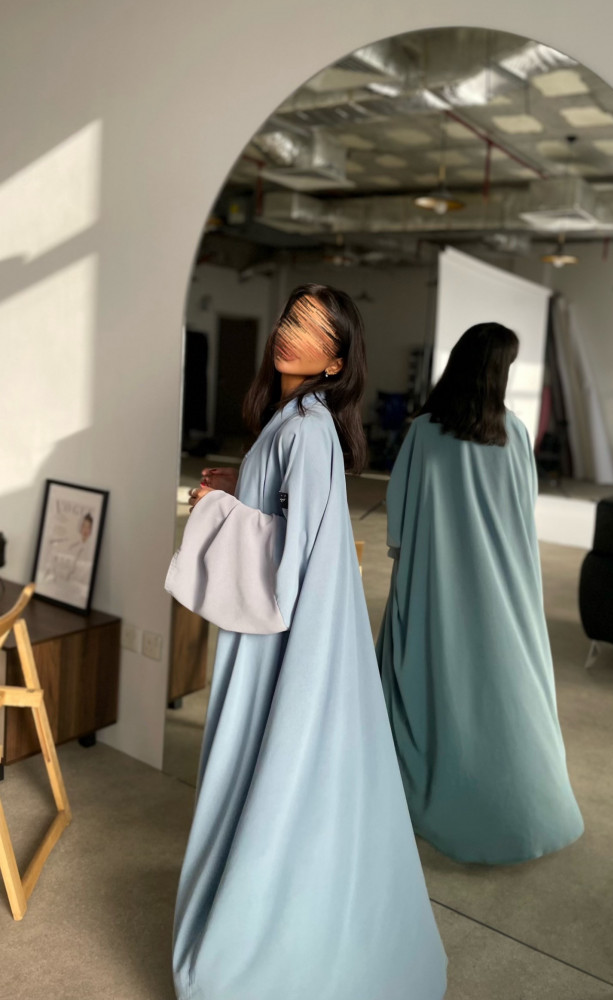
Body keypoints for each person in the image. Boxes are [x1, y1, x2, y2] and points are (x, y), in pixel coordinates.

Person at [166, 284, 447, 1000]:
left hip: (280, 636)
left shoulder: (306, 428)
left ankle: (255, 941)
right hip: (283, 629)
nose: (292, 332)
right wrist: (239, 484)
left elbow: (295, 556)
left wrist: (217, 509)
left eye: (315, 329)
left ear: (335, 361)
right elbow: (295, 514)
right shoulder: (291, 420)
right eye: (292, 316)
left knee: (265, 766)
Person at [377, 322, 584, 866]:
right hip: (506, 584)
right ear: (498, 373)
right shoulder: (515, 433)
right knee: (506, 682)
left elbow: (400, 524)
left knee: (431, 674)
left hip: (437, 580)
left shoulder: (425, 433)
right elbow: (523, 513)